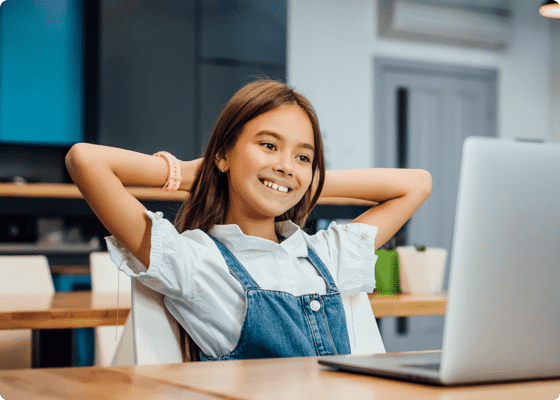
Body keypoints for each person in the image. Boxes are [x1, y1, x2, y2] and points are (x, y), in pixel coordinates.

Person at [66, 79, 432, 361]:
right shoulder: (194, 262)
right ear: (223, 153)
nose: (286, 164)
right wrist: (200, 172)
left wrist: (296, 182)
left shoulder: (326, 254)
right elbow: (86, 161)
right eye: (269, 146)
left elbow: (416, 184)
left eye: (303, 157)